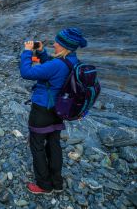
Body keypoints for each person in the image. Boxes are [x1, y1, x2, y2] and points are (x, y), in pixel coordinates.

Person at [20, 28, 87, 194]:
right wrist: (42, 53)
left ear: (64, 46)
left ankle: (44, 185)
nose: (55, 43)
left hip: (42, 111)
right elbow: (52, 66)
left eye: (58, 42)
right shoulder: (73, 61)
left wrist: (27, 52)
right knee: (53, 144)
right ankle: (57, 183)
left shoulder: (57, 64)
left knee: (37, 147)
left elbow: (26, 72)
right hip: (59, 110)